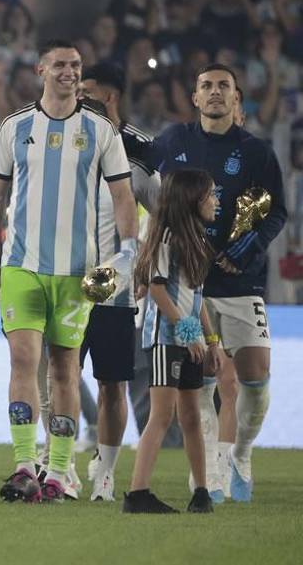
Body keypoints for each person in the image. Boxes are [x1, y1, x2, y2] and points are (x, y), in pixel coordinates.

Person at [0, 40, 138, 503]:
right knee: (23, 361)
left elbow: (123, 196)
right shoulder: (15, 127)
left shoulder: (100, 129)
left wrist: (128, 251)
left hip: (75, 273)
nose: (69, 72)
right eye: (60, 64)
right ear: (41, 69)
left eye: (76, 65)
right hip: (21, 266)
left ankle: (59, 470)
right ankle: (25, 463)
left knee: (65, 369)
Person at [131, 63, 287, 502]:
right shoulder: (172, 141)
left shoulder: (256, 152)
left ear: (236, 98)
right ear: (195, 98)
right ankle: (209, 478)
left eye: (224, 86)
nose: (215, 92)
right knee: (197, 386)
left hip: (238, 282)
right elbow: (140, 175)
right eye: (206, 86)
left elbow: (276, 212)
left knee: (254, 378)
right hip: (185, 286)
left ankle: (240, 452)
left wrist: (247, 249)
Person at [77, 63, 161, 501]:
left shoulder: (142, 151)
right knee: (58, 377)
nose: (78, 97)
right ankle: (58, 466)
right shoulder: (66, 142)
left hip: (114, 286)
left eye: (86, 91)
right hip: (65, 281)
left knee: (113, 383)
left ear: (108, 98)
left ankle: (106, 472)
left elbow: (165, 215)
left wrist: (145, 265)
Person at [124, 170, 223, 514]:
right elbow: (155, 286)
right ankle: (137, 494)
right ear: (193, 198)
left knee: (192, 417)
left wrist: (211, 339)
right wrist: (188, 331)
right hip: (166, 337)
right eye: (211, 195)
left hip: (191, 338)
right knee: (162, 416)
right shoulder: (165, 236)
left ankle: (201, 491)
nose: (216, 201)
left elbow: (197, 295)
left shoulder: (196, 237)